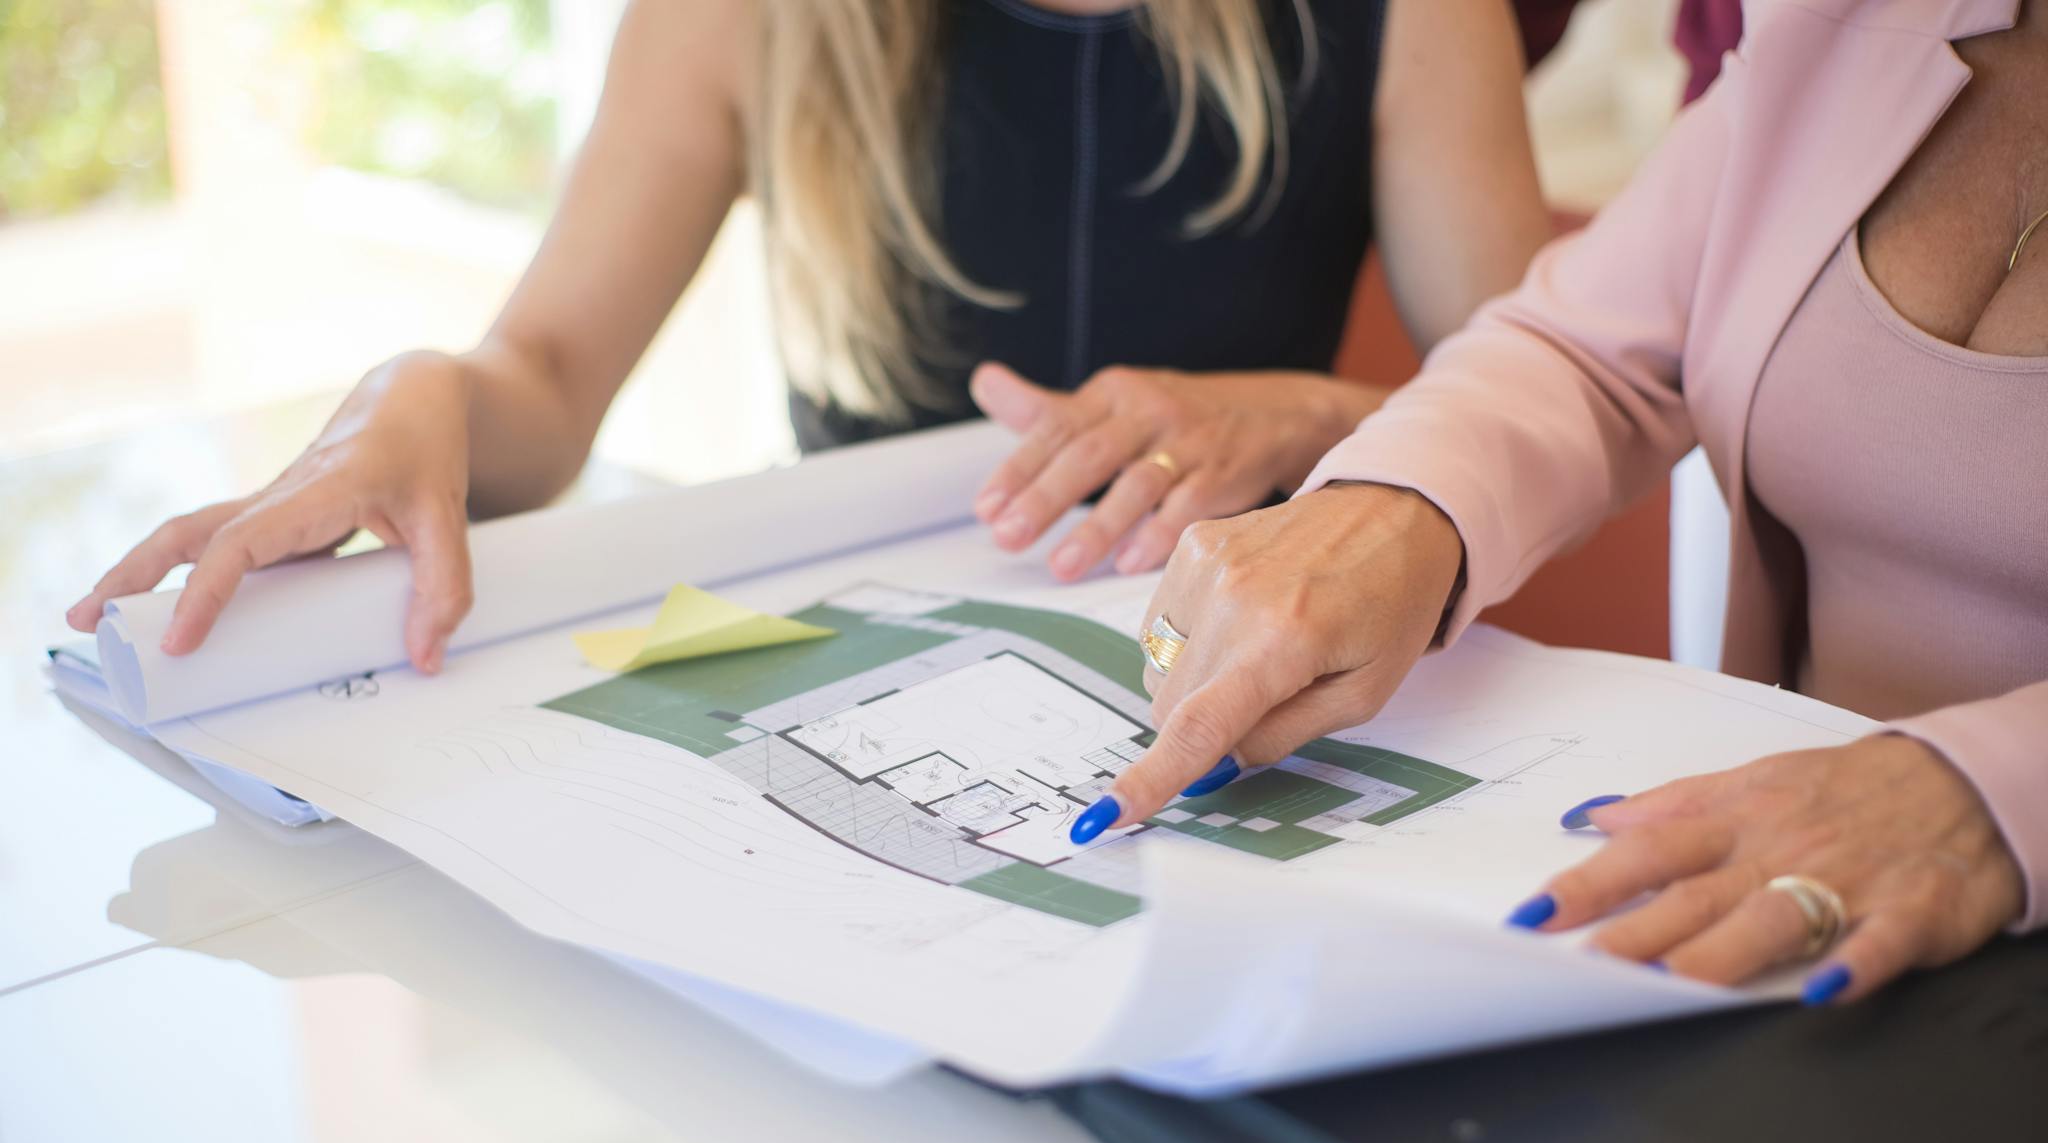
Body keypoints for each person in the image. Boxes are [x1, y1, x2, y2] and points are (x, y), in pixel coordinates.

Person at [68, 0, 1553, 673]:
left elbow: (1546, 399)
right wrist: (410, 401)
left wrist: (1300, 416)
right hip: (853, 683)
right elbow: (547, 380)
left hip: (1268, 667)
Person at [1085, 0, 2048, 1008]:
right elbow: (1583, 347)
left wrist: (1982, 795)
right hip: (1765, 891)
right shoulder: (1849, 20)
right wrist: (1393, 501)